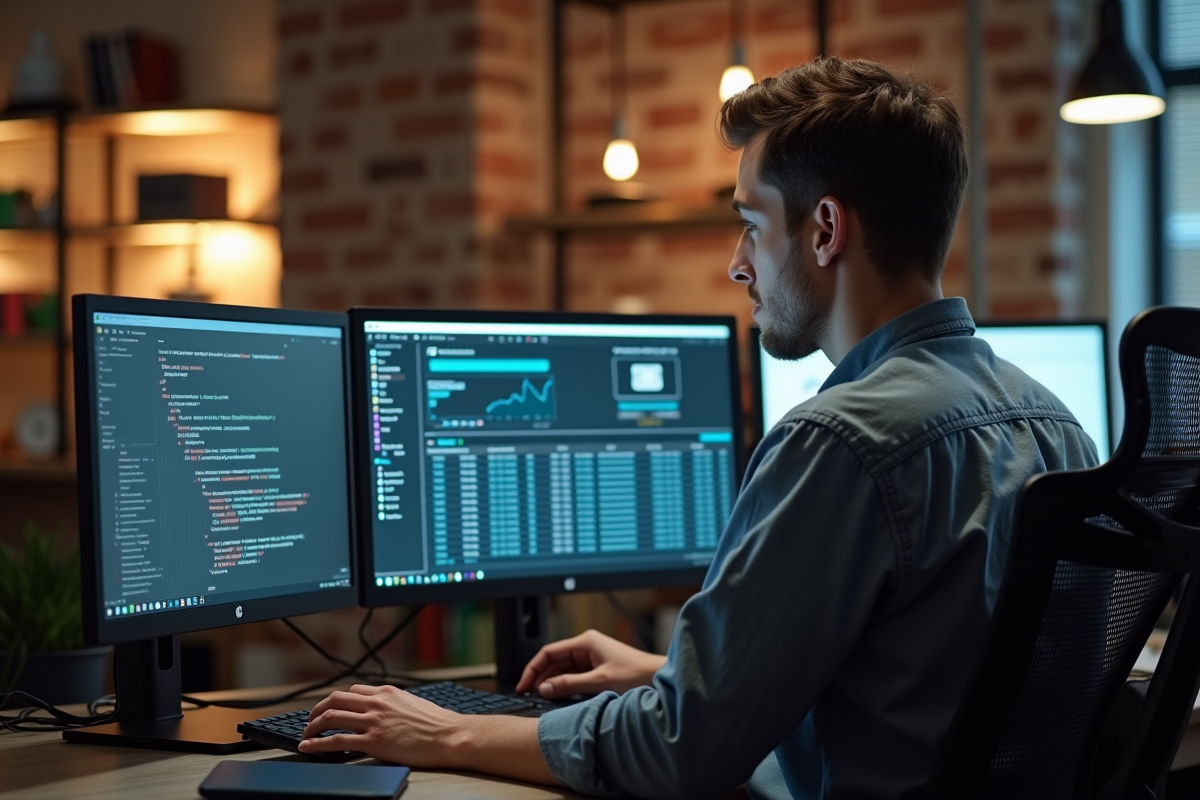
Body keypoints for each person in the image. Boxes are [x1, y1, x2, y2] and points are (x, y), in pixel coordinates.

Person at [298, 57, 1098, 799]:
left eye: (752, 222)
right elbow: (929, 685)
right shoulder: (1060, 430)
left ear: (824, 230)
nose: (739, 263)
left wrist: (454, 731)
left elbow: (684, 752)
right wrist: (662, 672)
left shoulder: (840, 440)